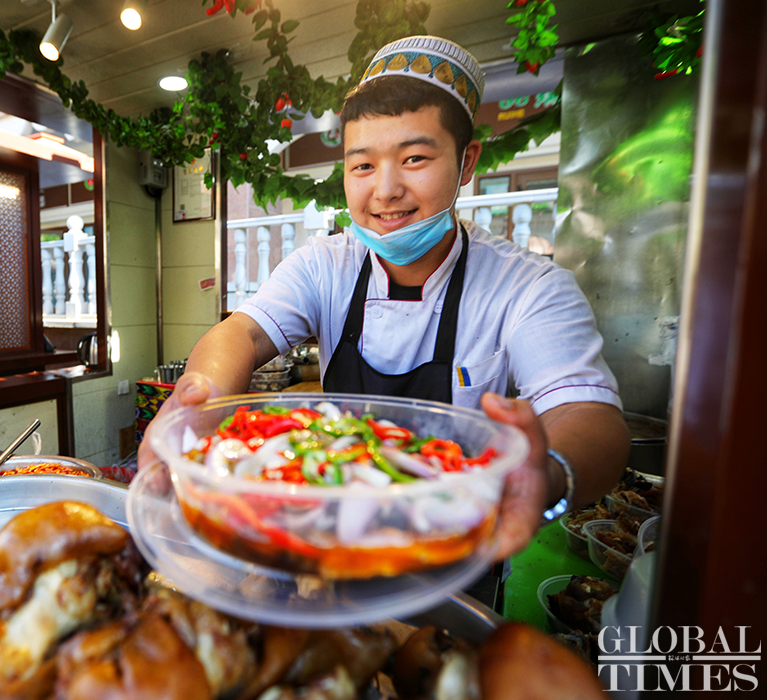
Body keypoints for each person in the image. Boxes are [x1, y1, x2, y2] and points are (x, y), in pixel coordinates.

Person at [140, 36, 629, 559]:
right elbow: (243, 332)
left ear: (466, 162)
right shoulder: (325, 265)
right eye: (363, 166)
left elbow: (587, 413)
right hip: (328, 538)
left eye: (414, 158)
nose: (385, 190)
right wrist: (194, 409)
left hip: (459, 547)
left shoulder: (528, 286)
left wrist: (546, 473)